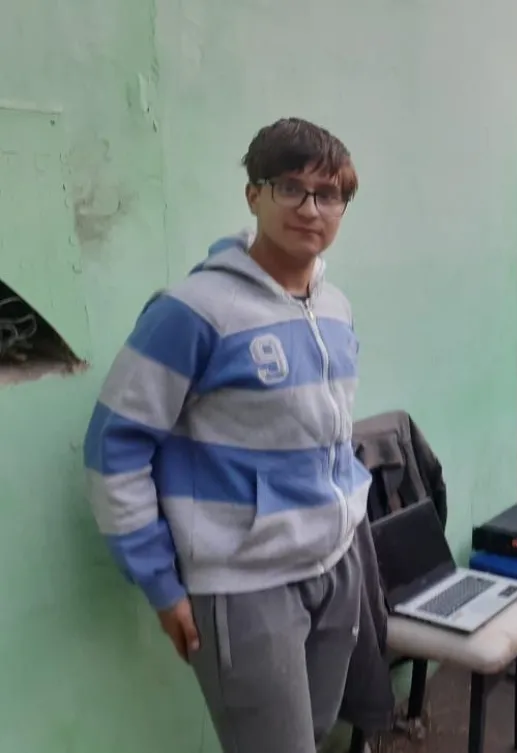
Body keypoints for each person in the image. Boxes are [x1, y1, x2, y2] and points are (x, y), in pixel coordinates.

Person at [83, 118, 371, 753]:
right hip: (246, 586)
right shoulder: (194, 310)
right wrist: (160, 582)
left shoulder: (336, 308)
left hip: (336, 564)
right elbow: (114, 449)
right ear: (254, 196)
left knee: (316, 733)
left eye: (329, 195)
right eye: (290, 188)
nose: (310, 208)